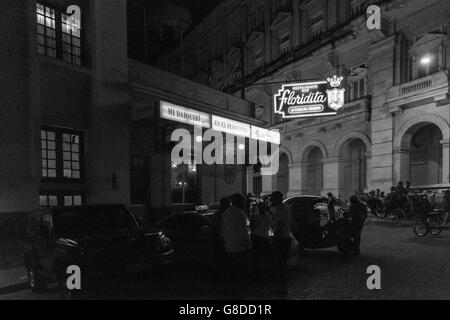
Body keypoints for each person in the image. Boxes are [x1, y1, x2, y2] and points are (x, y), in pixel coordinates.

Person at [221, 193, 251, 296]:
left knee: (232, 272)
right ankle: (238, 292)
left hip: (229, 247)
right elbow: (243, 232)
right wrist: (248, 245)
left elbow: (223, 231)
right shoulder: (239, 213)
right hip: (239, 248)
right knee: (239, 272)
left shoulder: (226, 213)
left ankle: (232, 291)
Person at [270, 191, 292, 294]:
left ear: (277, 198)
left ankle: (281, 288)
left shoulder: (280, 209)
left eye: (272, 198)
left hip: (281, 240)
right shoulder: (286, 207)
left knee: (279, 265)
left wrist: (274, 240)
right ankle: (282, 287)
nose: (271, 200)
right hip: (286, 238)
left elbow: (279, 226)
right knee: (282, 264)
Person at [250, 200, 272, 280]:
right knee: (261, 257)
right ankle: (261, 273)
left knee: (259, 256)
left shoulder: (256, 216)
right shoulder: (267, 216)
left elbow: (253, 227)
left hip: (259, 237)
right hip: (261, 237)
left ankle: (260, 273)